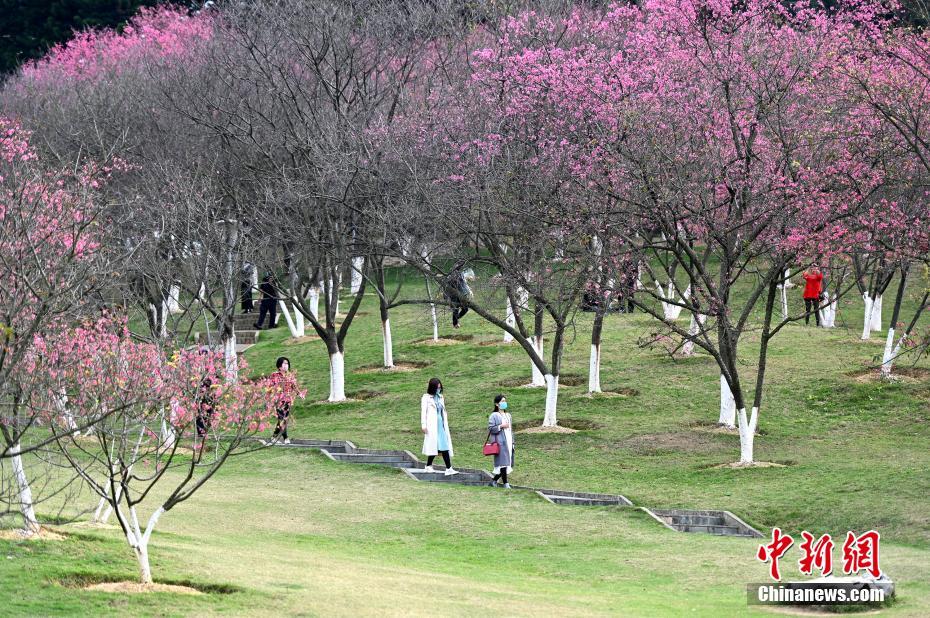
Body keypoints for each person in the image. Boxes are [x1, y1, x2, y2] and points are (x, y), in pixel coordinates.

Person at [420, 377, 458, 475]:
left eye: (440, 387)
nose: (439, 389)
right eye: (437, 387)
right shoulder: (426, 397)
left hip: (441, 425)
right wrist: (423, 425)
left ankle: (428, 466)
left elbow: (442, 411)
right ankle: (448, 468)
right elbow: (423, 412)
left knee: (440, 445)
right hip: (432, 426)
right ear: (432, 387)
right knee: (440, 445)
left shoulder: (441, 397)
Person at [269, 356, 298, 445]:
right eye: (284, 363)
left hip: (288, 401)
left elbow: (294, 386)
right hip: (278, 401)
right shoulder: (274, 375)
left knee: (283, 419)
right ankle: (286, 438)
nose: (286, 365)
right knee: (282, 418)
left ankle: (274, 436)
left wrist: (299, 393)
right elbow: (269, 387)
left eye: (287, 363)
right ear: (279, 365)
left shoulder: (290, 375)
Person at [487, 394, 513, 488]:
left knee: (508, 463)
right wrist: (501, 426)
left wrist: (513, 442)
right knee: (503, 463)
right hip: (500, 442)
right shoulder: (494, 415)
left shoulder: (508, 415)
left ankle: (494, 480)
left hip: (509, 442)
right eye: (502, 401)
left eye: (505, 401)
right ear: (497, 404)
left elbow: (511, 430)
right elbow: (491, 428)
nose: (504, 403)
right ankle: (506, 484)